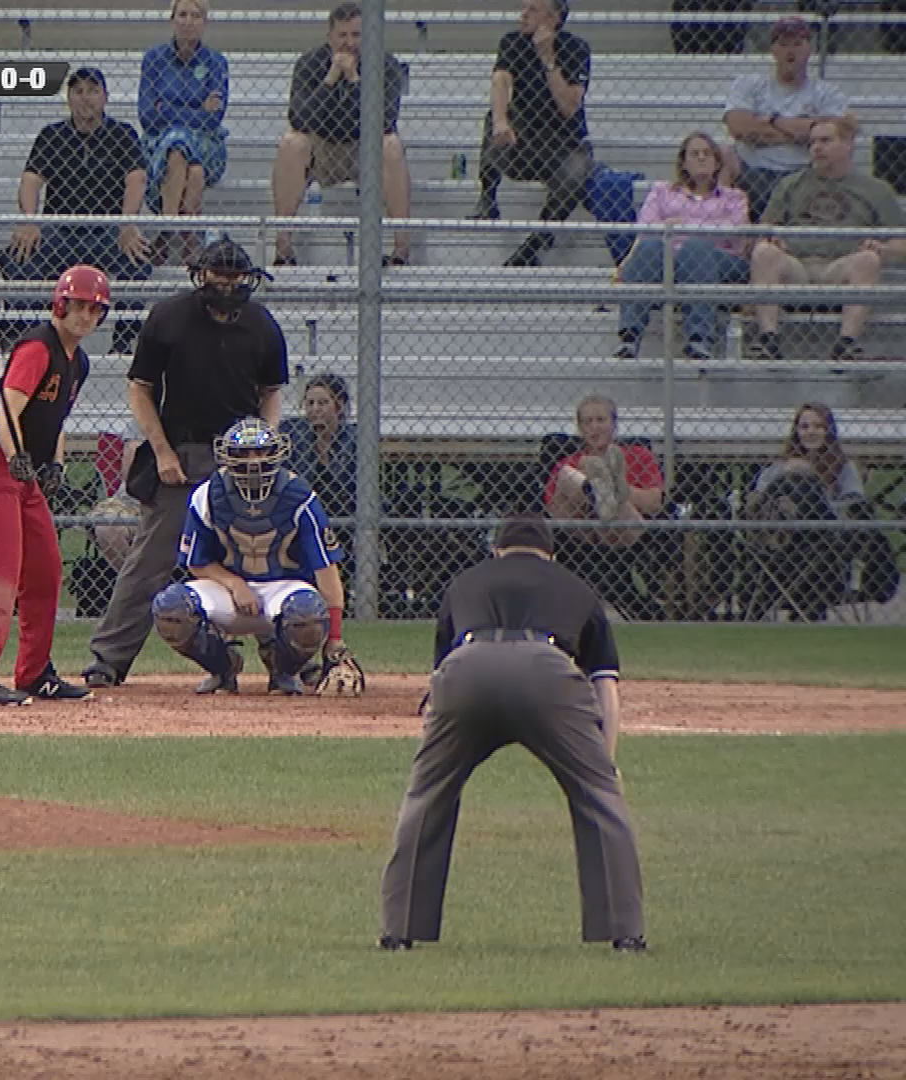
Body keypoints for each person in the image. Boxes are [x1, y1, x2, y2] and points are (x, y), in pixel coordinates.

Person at [378, 513, 645, 953]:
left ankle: (398, 930)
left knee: (426, 796)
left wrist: (432, 759)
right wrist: (606, 765)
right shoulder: (575, 585)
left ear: (496, 550)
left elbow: (440, 675)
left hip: (467, 669)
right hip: (547, 671)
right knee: (598, 796)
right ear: (551, 554)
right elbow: (605, 685)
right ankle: (625, 933)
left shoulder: (465, 581)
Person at [81, 239, 288, 690]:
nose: (228, 286)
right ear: (201, 276)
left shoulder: (261, 324)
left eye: (236, 278)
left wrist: (262, 444)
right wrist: (161, 451)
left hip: (241, 455)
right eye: (220, 276)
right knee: (151, 559)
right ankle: (109, 657)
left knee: (263, 555)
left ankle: (287, 659)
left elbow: (270, 392)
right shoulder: (170, 317)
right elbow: (141, 387)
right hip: (183, 448)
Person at [0, 267, 110, 706]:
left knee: (45, 570)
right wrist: (16, 457)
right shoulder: (38, 347)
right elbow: (7, 413)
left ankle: (35, 672)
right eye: (78, 306)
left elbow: (54, 417)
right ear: (60, 305)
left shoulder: (78, 362)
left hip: (23, 477)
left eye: (94, 309)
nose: (85, 316)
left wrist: (54, 463)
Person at [151, 419, 353, 695]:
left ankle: (283, 671)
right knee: (171, 608)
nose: (253, 463)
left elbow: (326, 570)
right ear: (226, 457)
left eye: (260, 453)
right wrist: (235, 584)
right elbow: (197, 562)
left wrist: (335, 640)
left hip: (284, 589)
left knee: (307, 615)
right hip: (229, 591)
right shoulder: (209, 495)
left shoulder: (299, 497)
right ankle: (223, 668)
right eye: (243, 454)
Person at [0, 66, 151, 353]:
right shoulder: (52, 135)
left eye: (93, 91)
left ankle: (125, 341)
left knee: (138, 260)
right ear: (68, 98)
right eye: (78, 91)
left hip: (107, 230)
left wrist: (127, 224)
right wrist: (29, 221)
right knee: (19, 257)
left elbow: (136, 179)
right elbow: (31, 180)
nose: (86, 99)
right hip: (58, 228)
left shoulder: (122, 134)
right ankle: (27, 338)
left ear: (105, 97)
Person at [746, 115, 906, 362]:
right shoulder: (790, 184)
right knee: (764, 253)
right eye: (812, 143)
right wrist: (770, 240)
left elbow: (902, 242)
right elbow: (762, 231)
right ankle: (768, 338)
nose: (816, 148)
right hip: (797, 266)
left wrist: (883, 249)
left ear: (848, 143)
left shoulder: (876, 190)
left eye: (825, 141)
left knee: (868, 260)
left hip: (839, 269)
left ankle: (847, 343)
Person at [273, 2, 413, 267]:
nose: (349, 43)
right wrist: (331, 78)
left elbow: (385, 120)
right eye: (343, 35)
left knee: (392, 145)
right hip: (323, 149)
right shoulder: (310, 63)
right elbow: (299, 119)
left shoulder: (386, 64)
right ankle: (283, 250)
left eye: (356, 35)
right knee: (291, 143)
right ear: (330, 37)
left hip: (367, 149)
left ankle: (401, 250)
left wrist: (354, 80)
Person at [471, 0, 595, 269]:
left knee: (578, 167)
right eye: (523, 7)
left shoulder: (576, 49)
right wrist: (502, 121)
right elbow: (501, 79)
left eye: (533, 10)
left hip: (562, 143)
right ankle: (487, 199)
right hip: (522, 140)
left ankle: (536, 243)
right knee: (492, 118)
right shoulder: (512, 42)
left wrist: (548, 57)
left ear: (553, 19)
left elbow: (570, 107)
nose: (523, 15)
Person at [613, 132, 751, 361]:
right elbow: (647, 227)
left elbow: (735, 234)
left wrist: (681, 226)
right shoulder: (662, 191)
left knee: (695, 248)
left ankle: (699, 338)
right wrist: (705, 227)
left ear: (717, 162)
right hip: (667, 260)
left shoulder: (734, 198)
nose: (701, 158)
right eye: (694, 154)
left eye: (707, 154)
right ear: (683, 163)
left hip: (720, 263)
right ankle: (629, 336)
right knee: (648, 248)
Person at [741, 403, 872, 621]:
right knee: (792, 480)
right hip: (781, 548)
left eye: (819, 426)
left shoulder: (843, 467)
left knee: (806, 485)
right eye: (804, 426)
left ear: (828, 431)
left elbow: (854, 507)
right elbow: (758, 504)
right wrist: (787, 477)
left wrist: (813, 484)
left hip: (826, 547)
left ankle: (805, 611)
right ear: (796, 432)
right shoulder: (779, 466)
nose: (811, 431)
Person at [543, 394, 667, 621]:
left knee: (614, 501)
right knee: (568, 476)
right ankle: (595, 488)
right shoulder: (569, 461)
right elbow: (554, 509)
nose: (595, 427)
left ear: (614, 424)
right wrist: (588, 491)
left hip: (624, 532)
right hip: (581, 533)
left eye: (601, 420)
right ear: (580, 428)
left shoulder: (638, 455)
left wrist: (621, 491)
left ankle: (607, 489)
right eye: (588, 422)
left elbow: (654, 503)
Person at [722, 16, 847, 222]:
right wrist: (801, 131)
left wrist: (772, 121)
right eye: (784, 43)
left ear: (809, 50)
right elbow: (739, 128)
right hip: (753, 171)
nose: (791, 50)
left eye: (798, 44)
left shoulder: (827, 93)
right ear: (773, 50)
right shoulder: (748, 84)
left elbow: (832, 132)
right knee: (724, 153)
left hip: (805, 173)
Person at [139, 0, 229, 265]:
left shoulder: (216, 62)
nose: (188, 21)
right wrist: (198, 109)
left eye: (196, 15)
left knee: (179, 145)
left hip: (206, 143)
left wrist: (168, 108)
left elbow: (214, 120)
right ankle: (188, 237)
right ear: (172, 20)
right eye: (183, 14)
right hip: (159, 142)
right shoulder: (154, 60)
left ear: (204, 22)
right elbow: (147, 117)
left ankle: (167, 232)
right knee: (189, 164)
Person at [280, 373, 358, 523]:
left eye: (322, 403)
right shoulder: (293, 434)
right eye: (310, 403)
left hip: (343, 512)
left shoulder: (353, 439)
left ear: (339, 405)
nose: (315, 409)